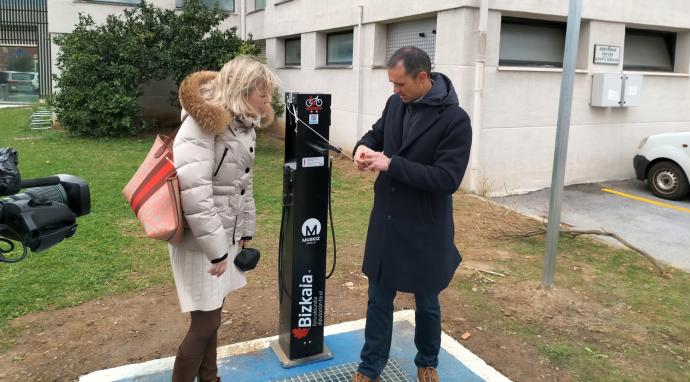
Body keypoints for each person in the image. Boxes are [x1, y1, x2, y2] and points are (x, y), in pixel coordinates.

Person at [351, 46, 472, 382]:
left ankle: (427, 361)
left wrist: (392, 164)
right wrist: (363, 147)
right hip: (387, 220)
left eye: (400, 84)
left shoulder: (455, 120)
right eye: (392, 84)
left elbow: (447, 179)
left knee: (427, 303)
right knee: (378, 299)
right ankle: (370, 365)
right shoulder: (395, 104)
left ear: (423, 77)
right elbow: (376, 134)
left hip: (425, 227)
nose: (395, 90)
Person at [168, 56, 278, 382]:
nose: (268, 101)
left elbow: (242, 184)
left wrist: (244, 230)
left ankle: (210, 378)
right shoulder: (202, 124)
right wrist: (217, 249)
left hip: (223, 234)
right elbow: (194, 191)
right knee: (205, 323)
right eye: (263, 94)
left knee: (213, 317)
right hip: (200, 241)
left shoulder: (242, 125)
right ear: (242, 91)